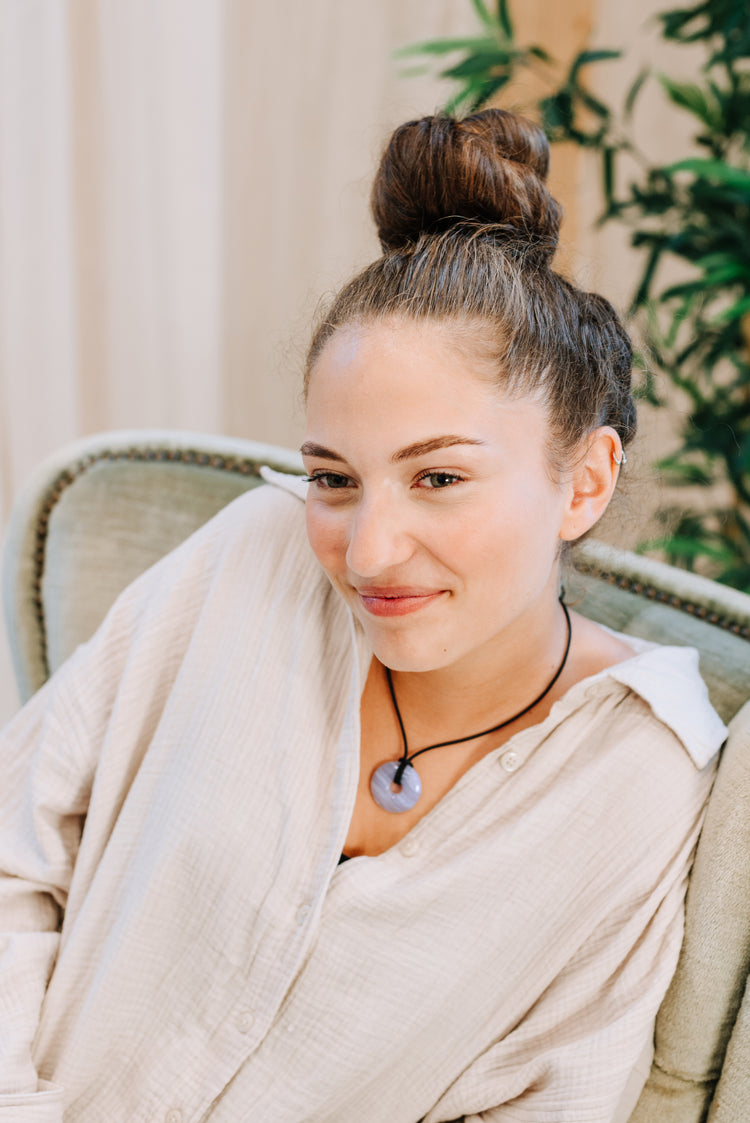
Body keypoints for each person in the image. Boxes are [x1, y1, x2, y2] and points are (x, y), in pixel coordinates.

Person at [0, 110, 726, 1123]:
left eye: (438, 476)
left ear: (585, 480)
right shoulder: (246, 556)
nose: (369, 549)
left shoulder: (642, 775)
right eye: (334, 479)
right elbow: (12, 847)